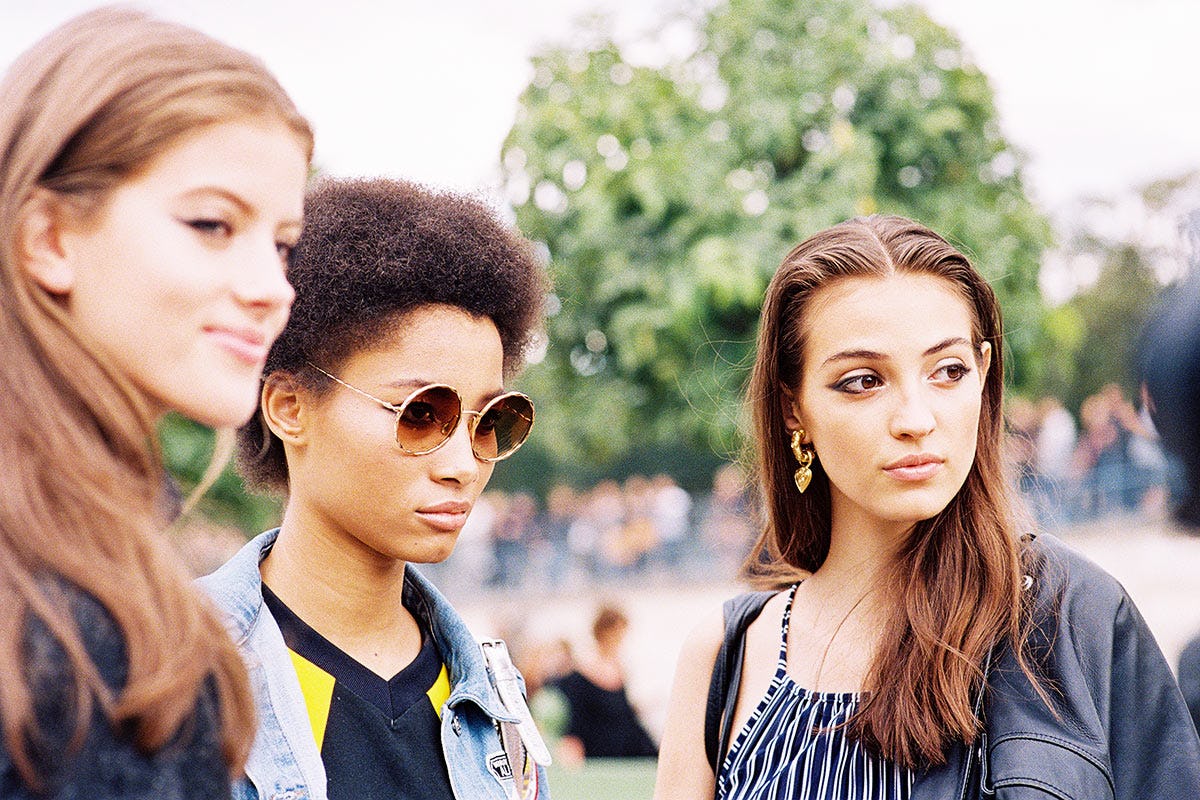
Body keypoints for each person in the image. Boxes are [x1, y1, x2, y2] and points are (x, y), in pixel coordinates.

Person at [653, 215, 1200, 800]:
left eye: (948, 371)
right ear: (794, 408)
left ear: (984, 376)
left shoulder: (1076, 616)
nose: (915, 419)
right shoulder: (726, 657)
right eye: (863, 381)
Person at [0, 8, 311, 798]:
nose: (271, 289)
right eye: (212, 224)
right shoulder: (63, 618)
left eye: (281, 244)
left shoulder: (88, 557)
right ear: (49, 238)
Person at [198, 178, 552, 800]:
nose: (463, 464)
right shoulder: (168, 677)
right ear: (288, 407)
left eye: (492, 422)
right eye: (420, 413)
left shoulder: (494, 703)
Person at [555, 605, 657, 766]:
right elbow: (576, 721)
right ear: (604, 632)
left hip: (626, 748)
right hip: (599, 754)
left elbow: (624, 713)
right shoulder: (583, 671)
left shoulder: (619, 668)